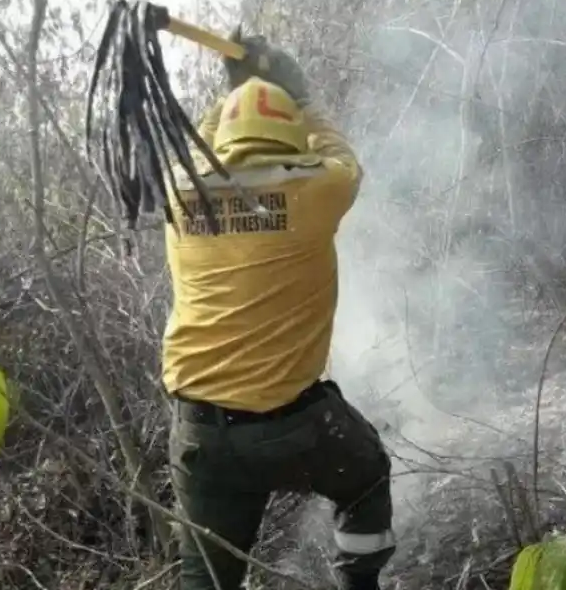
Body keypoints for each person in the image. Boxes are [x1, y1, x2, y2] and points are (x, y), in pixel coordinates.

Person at [161, 30, 395, 590]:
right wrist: (300, 94)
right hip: (291, 428)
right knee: (366, 475)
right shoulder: (316, 192)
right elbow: (344, 160)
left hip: (200, 432)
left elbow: (201, 146)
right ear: (291, 139)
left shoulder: (180, 194)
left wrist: (232, 92)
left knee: (204, 576)